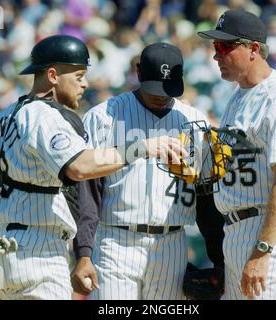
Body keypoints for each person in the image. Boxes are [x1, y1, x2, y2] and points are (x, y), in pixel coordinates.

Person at [0, 35, 187, 300]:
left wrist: (5, 230)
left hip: (1, 251)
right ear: (52, 75)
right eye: (78, 75)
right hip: (39, 250)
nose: (85, 83)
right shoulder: (45, 116)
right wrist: (142, 147)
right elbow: (80, 167)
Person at [73, 42, 225, 300]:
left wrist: (218, 259)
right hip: (115, 240)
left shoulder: (195, 121)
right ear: (139, 73)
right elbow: (87, 192)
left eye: (168, 88)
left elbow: (206, 198)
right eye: (154, 86)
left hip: (171, 242)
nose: (160, 95)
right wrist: (83, 252)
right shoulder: (103, 117)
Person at [197, 9, 276, 300]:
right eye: (215, 48)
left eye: (225, 47)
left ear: (253, 49)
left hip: (272, 232)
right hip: (237, 230)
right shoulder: (237, 96)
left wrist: (263, 250)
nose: (217, 56)